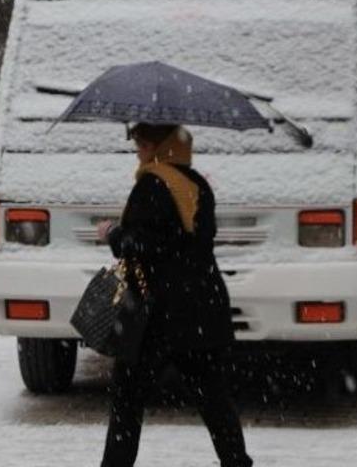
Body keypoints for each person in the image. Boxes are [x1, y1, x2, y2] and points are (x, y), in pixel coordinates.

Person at [96, 123, 252, 467]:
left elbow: (141, 245)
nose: (138, 149)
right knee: (214, 398)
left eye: (142, 142)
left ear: (160, 146)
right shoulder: (196, 184)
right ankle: (237, 463)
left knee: (127, 401)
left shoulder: (152, 185)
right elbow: (190, 242)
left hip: (157, 314)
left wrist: (113, 233)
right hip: (201, 307)